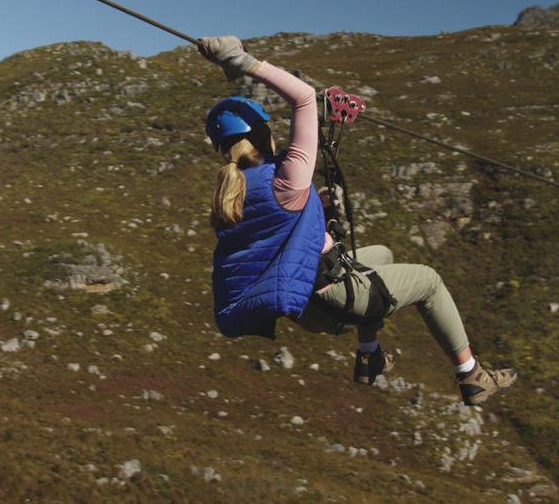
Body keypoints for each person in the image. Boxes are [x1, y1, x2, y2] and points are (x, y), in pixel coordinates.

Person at [198, 36, 517, 406]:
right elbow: (303, 97)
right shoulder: (287, 178)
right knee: (430, 281)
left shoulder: (230, 197)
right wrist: (242, 61)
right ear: (262, 134)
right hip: (335, 297)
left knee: (380, 254)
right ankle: (471, 375)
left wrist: (315, 211)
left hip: (308, 306)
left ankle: (370, 357)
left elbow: (275, 235)